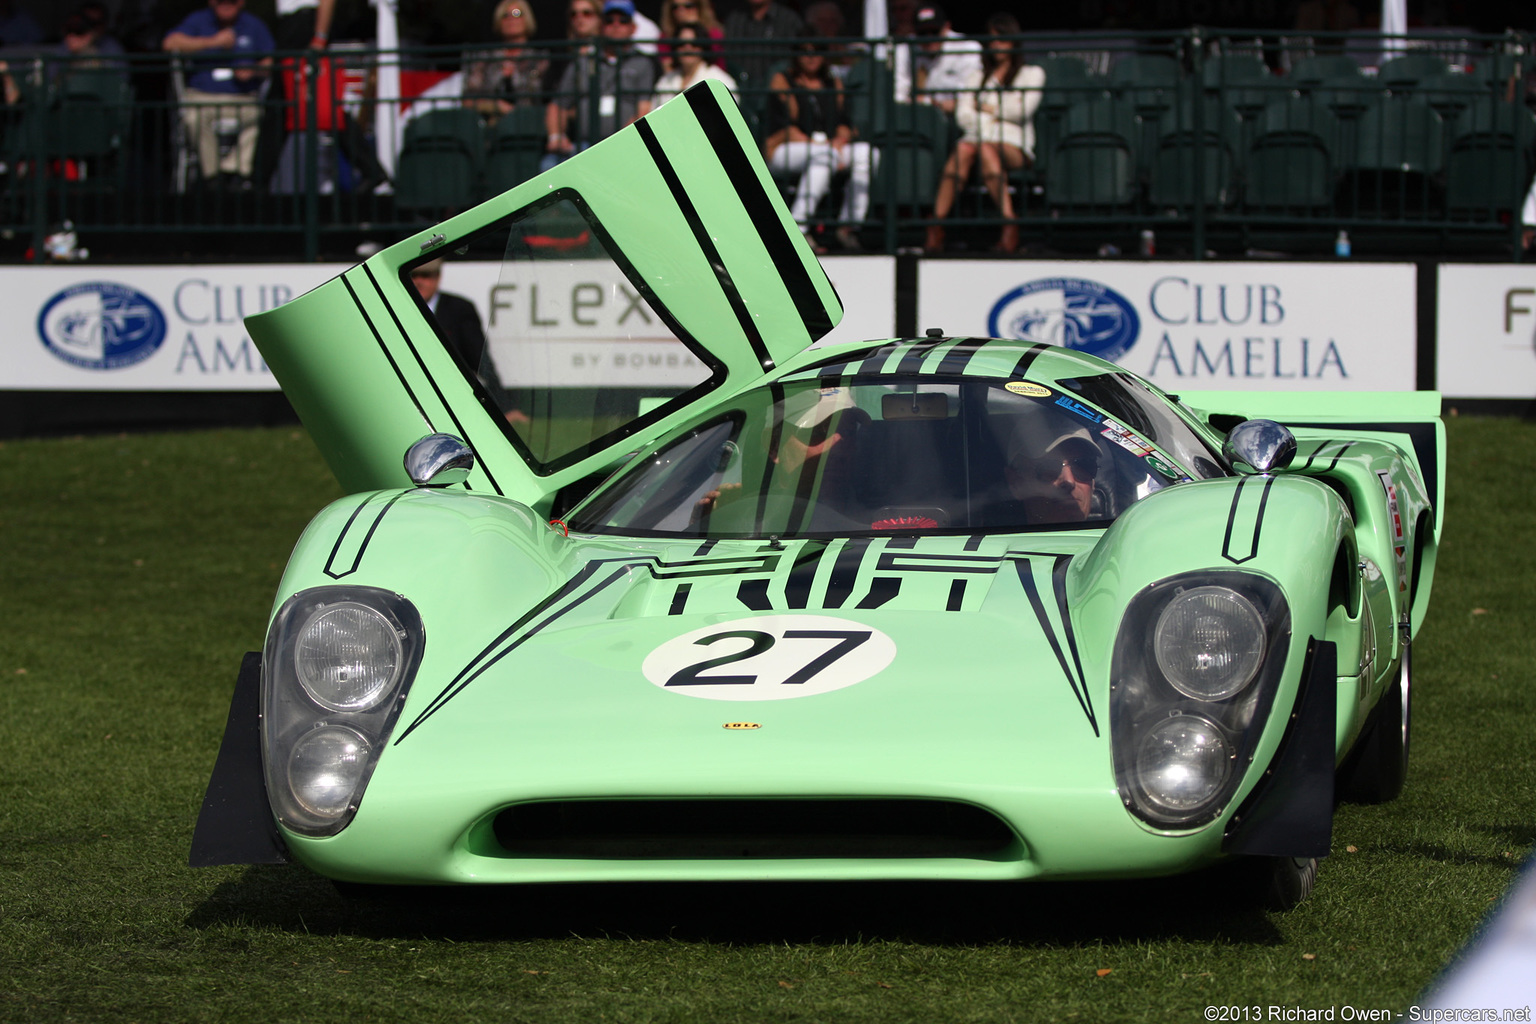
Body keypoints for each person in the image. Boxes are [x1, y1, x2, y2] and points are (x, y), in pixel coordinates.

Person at [925, 13, 1043, 255]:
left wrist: (986, 108)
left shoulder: (1031, 74)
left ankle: (1009, 224)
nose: (996, 45)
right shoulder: (976, 77)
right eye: (992, 40)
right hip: (976, 141)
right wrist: (996, 113)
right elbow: (962, 115)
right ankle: (936, 227)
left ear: (1013, 42)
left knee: (986, 148)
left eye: (1002, 39)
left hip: (1014, 145)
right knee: (963, 149)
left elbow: (1021, 111)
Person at [763, 32, 877, 252]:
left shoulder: (832, 82)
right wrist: (826, 148)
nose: (811, 57)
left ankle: (849, 226)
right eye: (805, 52)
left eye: (817, 51)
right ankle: (799, 228)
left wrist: (841, 139)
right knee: (824, 157)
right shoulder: (783, 80)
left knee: (867, 153)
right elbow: (784, 128)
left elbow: (844, 122)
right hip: (783, 150)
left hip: (827, 149)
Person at [162, 0, 275, 186]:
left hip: (241, 99)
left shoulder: (253, 24)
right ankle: (213, 176)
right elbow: (170, 43)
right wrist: (213, 42)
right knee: (192, 118)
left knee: (262, 118)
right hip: (202, 97)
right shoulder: (199, 20)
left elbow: (272, 59)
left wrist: (254, 70)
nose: (226, 4)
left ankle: (234, 171)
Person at [543, 0, 656, 170]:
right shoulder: (583, 61)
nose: (616, 25)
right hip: (582, 147)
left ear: (633, 27)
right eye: (609, 21)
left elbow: (643, 109)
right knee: (549, 164)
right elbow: (558, 105)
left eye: (623, 20)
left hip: (624, 147)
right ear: (601, 26)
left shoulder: (643, 62)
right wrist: (556, 136)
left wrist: (616, 143)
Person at [410, 259, 525, 423]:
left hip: (451, 395)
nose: (419, 281)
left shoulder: (459, 309)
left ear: (438, 277)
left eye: (426, 275)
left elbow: (479, 359)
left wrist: (506, 407)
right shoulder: (393, 307)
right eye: (413, 276)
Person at [462, 0, 549, 125]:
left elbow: (541, 96)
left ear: (527, 19)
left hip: (529, 124)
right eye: (505, 15)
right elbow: (468, 101)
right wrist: (495, 106)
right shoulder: (485, 60)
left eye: (516, 13)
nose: (511, 19)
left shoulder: (540, 59)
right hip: (491, 126)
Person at [1001, 416, 1100, 524]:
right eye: (1048, 468)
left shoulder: (1117, 539)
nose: (1069, 481)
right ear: (1015, 483)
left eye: (1083, 465)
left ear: (1093, 483)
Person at [910, 4, 981, 116]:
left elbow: (965, 101)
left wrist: (927, 102)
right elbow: (901, 96)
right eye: (922, 33)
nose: (929, 39)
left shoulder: (966, 47)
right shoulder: (907, 49)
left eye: (934, 32)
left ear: (946, 28)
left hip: (958, 119)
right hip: (922, 118)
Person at [722, 0, 803, 92]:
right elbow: (728, 59)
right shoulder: (735, 20)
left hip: (776, 95)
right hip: (740, 92)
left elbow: (797, 62)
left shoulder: (789, 20)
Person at [652, 23, 736, 107]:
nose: (687, 48)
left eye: (694, 44)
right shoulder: (665, 80)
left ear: (703, 47)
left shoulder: (719, 79)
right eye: (681, 44)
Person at [658, 0, 723, 70]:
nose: (681, 11)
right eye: (675, 7)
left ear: (700, 7)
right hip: (680, 78)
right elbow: (668, 69)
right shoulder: (666, 37)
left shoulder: (713, 34)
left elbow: (711, 63)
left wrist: (694, 28)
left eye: (688, 6)